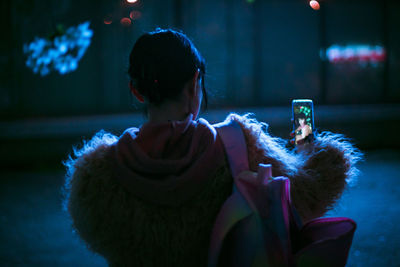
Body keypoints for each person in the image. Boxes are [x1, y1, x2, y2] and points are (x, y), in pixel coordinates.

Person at [63, 28, 362, 267]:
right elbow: (308, 197)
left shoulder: (97, 176)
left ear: (136, 91)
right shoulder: (238, 145)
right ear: (195, 82)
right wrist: (309, 149)